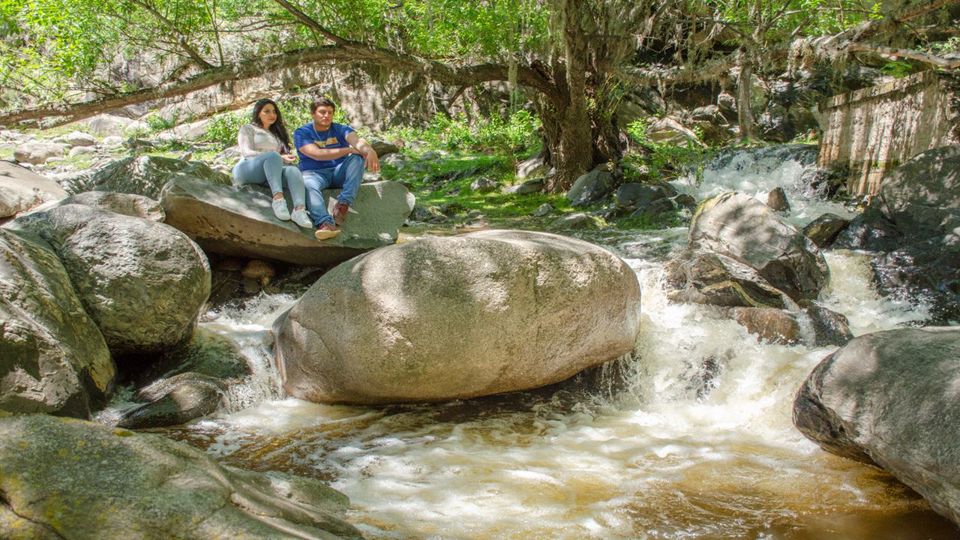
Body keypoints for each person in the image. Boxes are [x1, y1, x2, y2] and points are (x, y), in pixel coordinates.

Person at [294, 97, 380, 240]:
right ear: (313, 114)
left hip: (338, 171)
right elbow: (317, 154)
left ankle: (343, 205)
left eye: (330, 112)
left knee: (357, 158)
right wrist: (348, 150)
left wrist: (370, 151)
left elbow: (357, 142)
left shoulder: (341, 129)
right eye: (322, 112)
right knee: (307, 184)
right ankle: (325, 223)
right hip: (314, 174)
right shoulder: (302, 132)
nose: (326, 115)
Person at [232, 98, 313, 229]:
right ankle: (278, 200)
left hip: (268, 174)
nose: (272, 115)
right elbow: (246, 152)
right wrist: (277, 157)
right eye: (267, 111)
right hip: (247, 169)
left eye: (274, 111)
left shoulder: (276, 136)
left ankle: (299, 210)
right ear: (258, 113)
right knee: (273, 156)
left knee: (293, 170)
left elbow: (277, 161)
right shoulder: (248, 128)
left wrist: (284, 159)